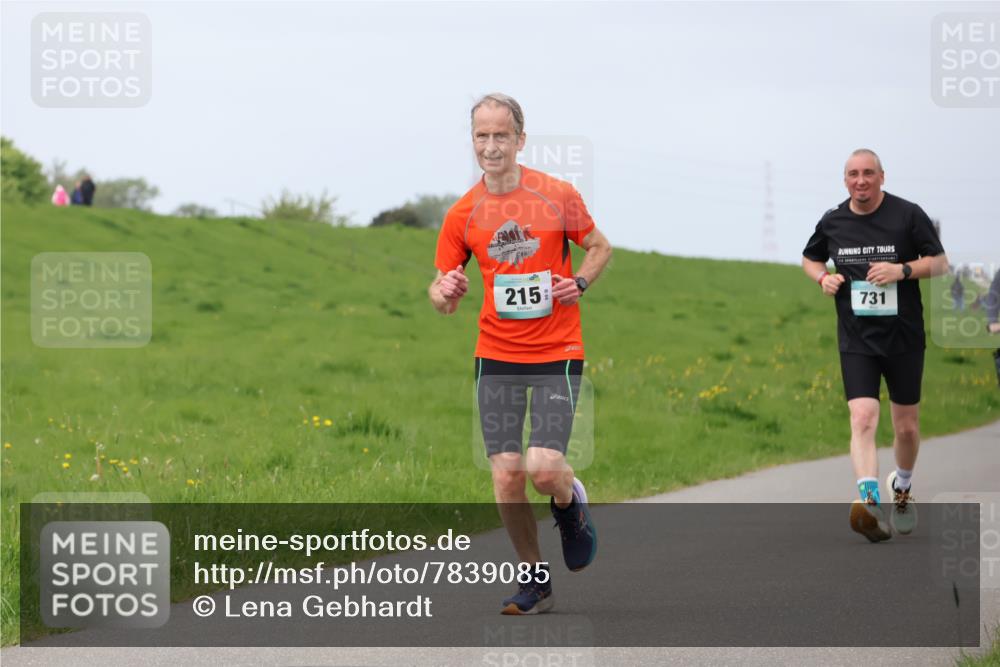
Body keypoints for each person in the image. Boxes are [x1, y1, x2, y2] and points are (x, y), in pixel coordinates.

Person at [429, 93, 612, 614]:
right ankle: (535, 578)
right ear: (473, 142)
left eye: (501, 135)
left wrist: (579, 280)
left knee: (542, 467)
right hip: (497, 354)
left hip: (558, 350)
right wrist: (444, 294)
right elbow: (441, 291)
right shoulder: (463, 213)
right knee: (507, 472)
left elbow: (600, 246)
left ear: (520, 140)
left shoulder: (557, 195)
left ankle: (569, 499)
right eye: (482, 136)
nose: (491, 146)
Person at [802, 148, 948, 543]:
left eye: (868, 173)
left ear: (882, 176)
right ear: (845, 180)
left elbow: (939, 262)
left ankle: (901, 488)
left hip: (903, 338)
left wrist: (901, 270)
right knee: (863, 417)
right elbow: (810, 258)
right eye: (853, 174)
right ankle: (869, 500)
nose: (860, 180)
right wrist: (822, 279)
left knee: (907, 429)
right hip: (857, 340)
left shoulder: (907, 215)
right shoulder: (833, 221)